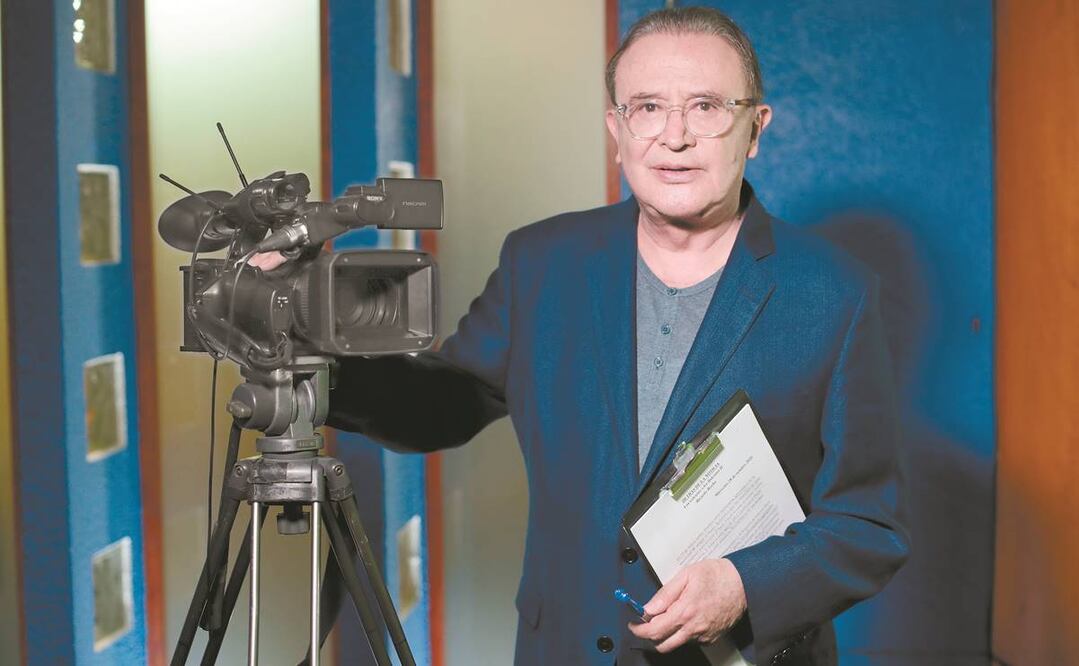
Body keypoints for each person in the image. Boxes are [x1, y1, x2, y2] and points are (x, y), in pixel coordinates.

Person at [265, 6, 909, 665]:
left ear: (754, 129)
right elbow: (443, 407)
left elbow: (866, 527)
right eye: (647, 107)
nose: (675, 136)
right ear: (617, 130)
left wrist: (745, 585)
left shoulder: (835, 292)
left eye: (708, 106)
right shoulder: (541, 262)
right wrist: (316, 358)